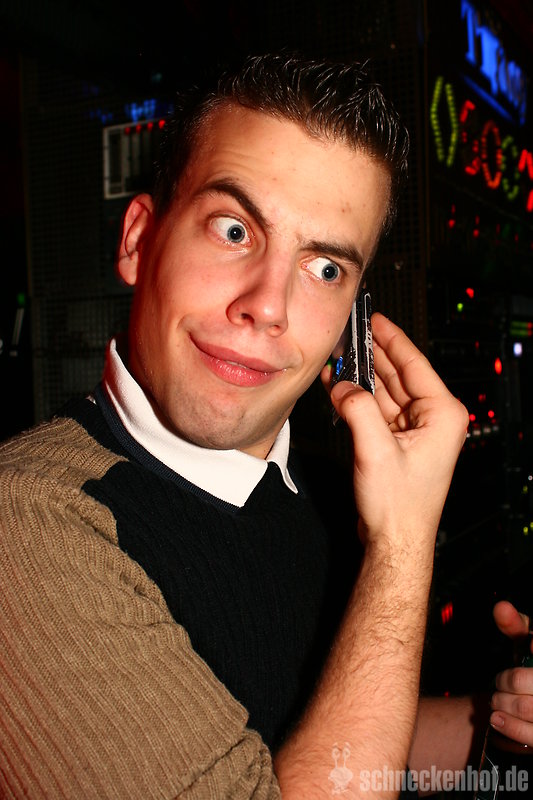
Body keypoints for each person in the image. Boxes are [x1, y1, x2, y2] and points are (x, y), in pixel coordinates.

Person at [0, 52, 530, 799]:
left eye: (325, 269)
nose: (268, 305)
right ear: (139, 241)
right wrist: (403, 544)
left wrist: (498, 724)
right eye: (232, 230)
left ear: (351, 316)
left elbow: (339, 737)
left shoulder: (329, 488)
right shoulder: (29, 522)